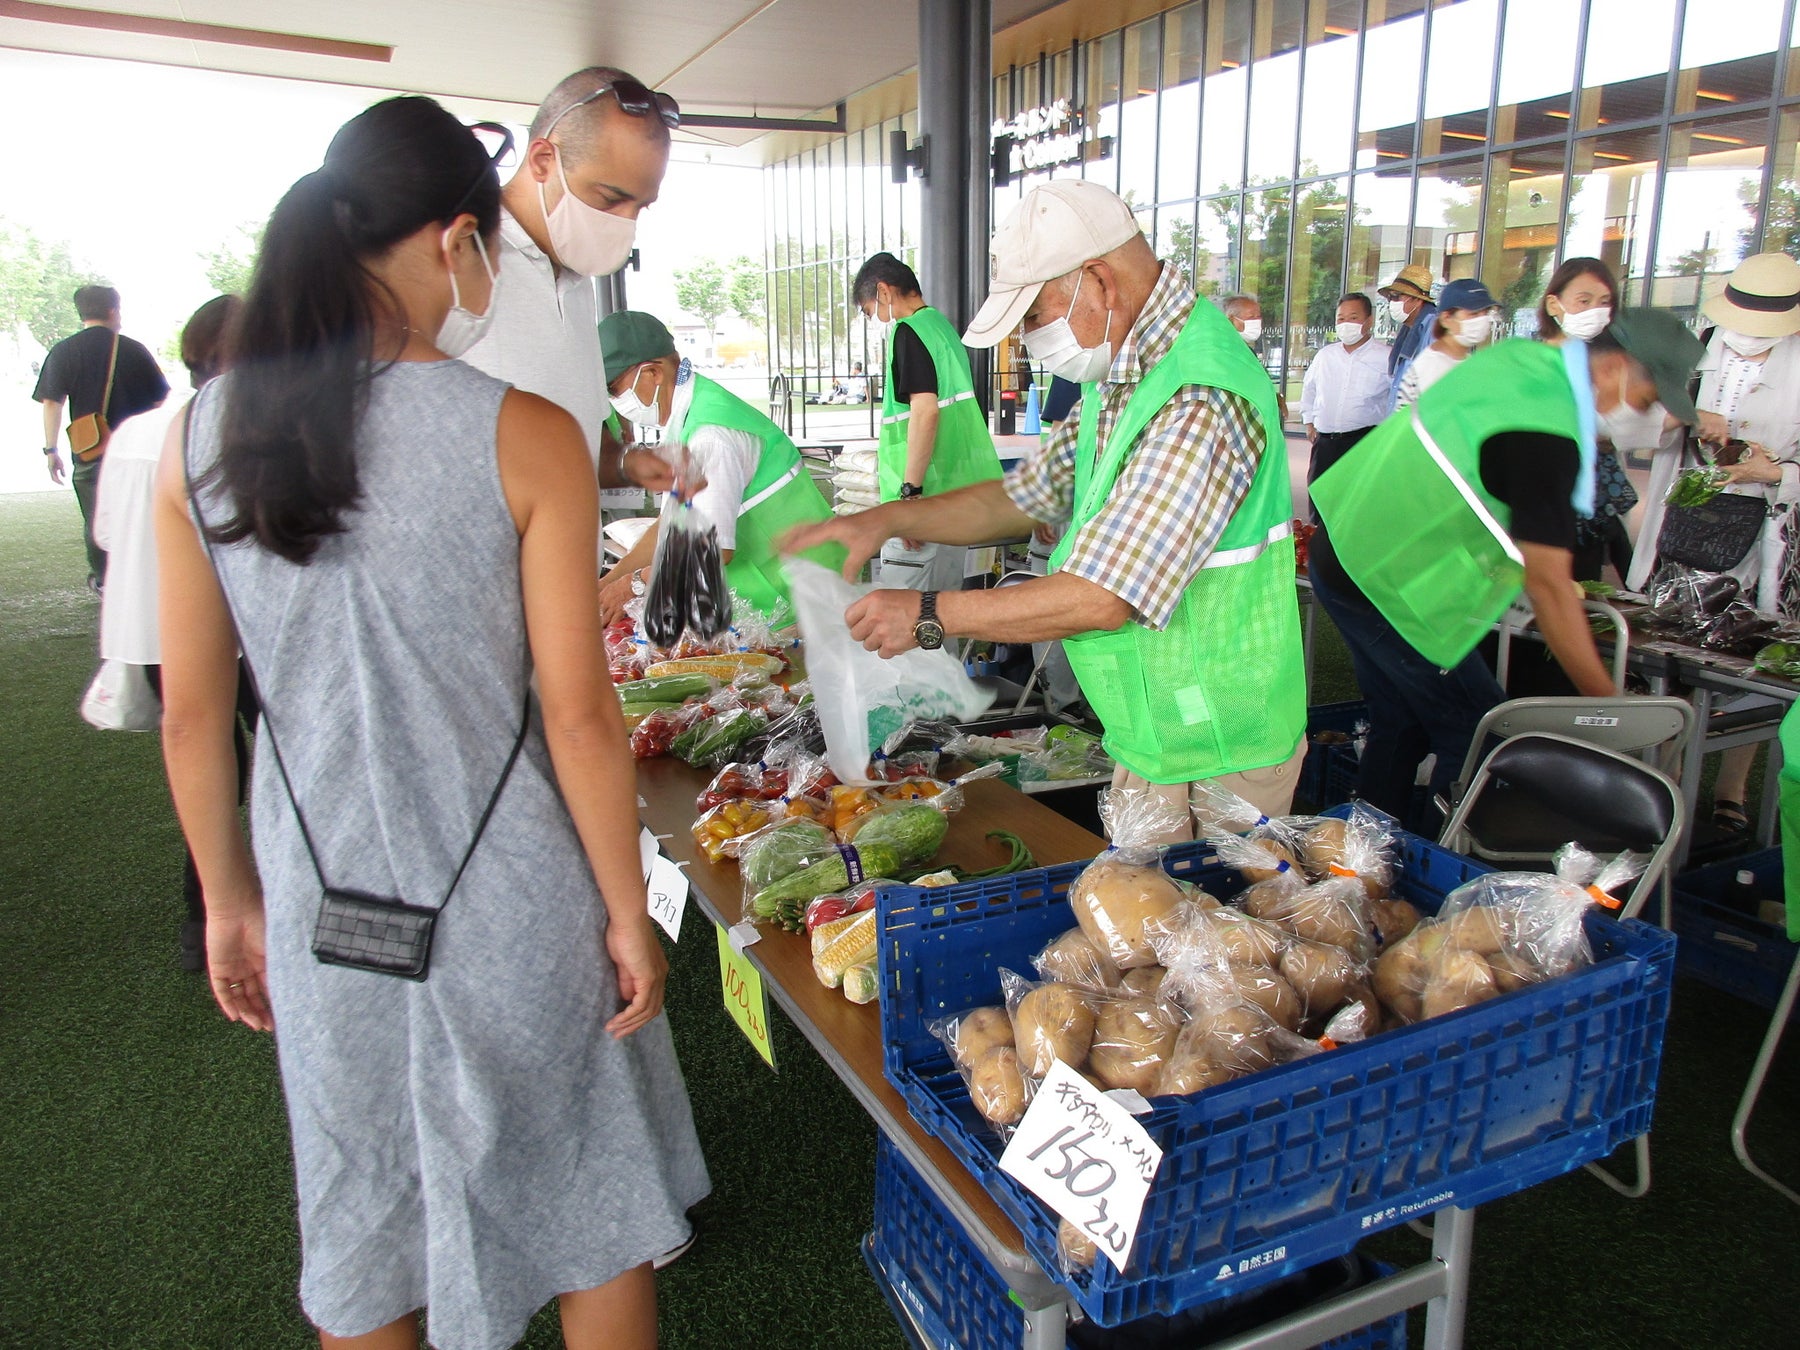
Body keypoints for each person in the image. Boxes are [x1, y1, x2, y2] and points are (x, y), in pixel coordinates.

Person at [153, 98, 707, 1350]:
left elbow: (194, 714)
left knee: (364, 1209)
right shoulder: (525, 434)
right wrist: (626, 908)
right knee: (594, 1206)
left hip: (316, 891)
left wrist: (230, 902)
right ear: (457, 239)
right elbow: (576, 712)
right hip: (511, 884)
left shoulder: (199, 436)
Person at [784, 180, 1308, 837]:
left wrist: (928, 613)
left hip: (1222, 745)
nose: (1031, 341)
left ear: (1099, 282)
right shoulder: (1122, 379)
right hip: (1155, 731)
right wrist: (889, 518)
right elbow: (1023, 494)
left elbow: (1103, 594)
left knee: (1211, 935)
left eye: (1034, 317)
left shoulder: (1199, 394)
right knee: (1138, 927)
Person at [1308, 311, 1706, 820]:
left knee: (1401, 718)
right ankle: (1443, 878)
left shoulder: (1524, 361)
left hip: (1350, 545)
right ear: (1615, 369)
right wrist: (1613, 708)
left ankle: (1366, 865)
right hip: (1391, 580)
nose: (1651, 419)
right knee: (1481, 731)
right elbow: (1549, 584)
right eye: (1649, 400)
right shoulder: (1546, 425)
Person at [93, 295, 256, 973]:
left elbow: (104, 534)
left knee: (202, 757)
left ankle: (206, 917)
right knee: (279, 758)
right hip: (238, 630)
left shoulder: (135, 432)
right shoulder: (237, 429)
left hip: (154, 627)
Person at [1627, 252, 1800, 834]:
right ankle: (1663, 778)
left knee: (1747, 662)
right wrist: (1683, 417)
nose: (1750, 337)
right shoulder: (1696, 348)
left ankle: (1731, 792)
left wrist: (1771, 472)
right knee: (1666, 655)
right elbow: (1633, 424)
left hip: (1764, 533)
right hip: (1686, 526)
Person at [460, 66, 679, 503]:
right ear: (544, 161)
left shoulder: (578, 278)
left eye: (641, 206)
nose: (624, 224)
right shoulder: (462, 264)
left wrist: (627, 462)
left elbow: (579, 445)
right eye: (610, 199)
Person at [595, 309, 839, 627]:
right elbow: (670, 527)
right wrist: (609, 583)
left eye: (614, 388)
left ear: (652, 373)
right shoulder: (689, 416)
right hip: (776, 597)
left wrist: (634, 585)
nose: (614, 400)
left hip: (797, 604)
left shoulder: (709, 436)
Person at [852, 251, 1003, 591]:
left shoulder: (908, 331)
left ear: (884, 292)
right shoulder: (941, 327)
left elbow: (925, 411)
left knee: (901, 625)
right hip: (955, 498)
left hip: (925, 497)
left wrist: (910, 495)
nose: (875, 317)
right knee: (937, 618)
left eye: (869, 309)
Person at [33, 284, 169, 590]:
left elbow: (52, 402)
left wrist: (50, 449)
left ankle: (106, 580)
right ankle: (143, 575)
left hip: (89, 451)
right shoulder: (134, 350)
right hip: (137, 451)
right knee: (140, 514)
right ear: (112, 311)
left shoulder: (64, 351)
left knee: (96, 518)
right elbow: (162, 403)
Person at [1537, 257, 1637, 581]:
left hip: (1588, 509)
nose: (1596, 310)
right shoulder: (1534, 363)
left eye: (1604, 302)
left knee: (1585, 595)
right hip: (1540, 508)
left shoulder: (1608, 363)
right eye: (1584, 300)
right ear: (1554, 303)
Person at [1299, 294, 1391, 503]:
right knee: (1321, 500)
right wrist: (1309, 422)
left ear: (1369, 321)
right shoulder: (1325, 355)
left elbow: (1395, 399)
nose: (1346, 324)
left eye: (1353, 317)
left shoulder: (1385, 357)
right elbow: (1309, 389)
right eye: (1341, 319)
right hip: (1325, 443)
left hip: (1363, 441)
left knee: (1357, 502)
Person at [1393, 277, 1496, 409]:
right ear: (1446, 318)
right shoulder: (1430, 367)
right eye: (1474, 314)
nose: (1482, 320)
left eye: (1486, 313)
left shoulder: (1469, 363)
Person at [1220, 293, 1286, 421]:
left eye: (1258, 317)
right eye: (1251, 317)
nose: (1256, 322)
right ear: (1231, 319)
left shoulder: (1247, 352)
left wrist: (1273, 397)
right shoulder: (1224, 352)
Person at [1379, 262, 1439, 399]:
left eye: (1396, 296)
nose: (1391, 302)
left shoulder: (1434, 329)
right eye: (1390, 297)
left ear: (1418, 300)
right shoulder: (1407, 329)